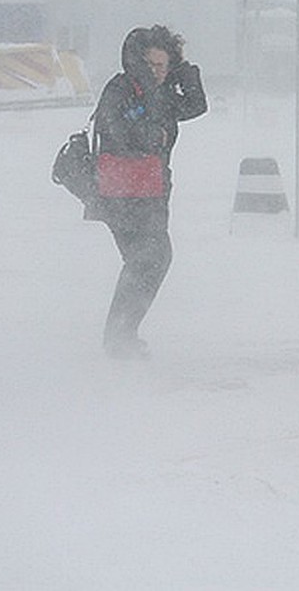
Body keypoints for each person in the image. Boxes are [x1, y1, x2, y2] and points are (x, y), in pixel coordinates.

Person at [90, 25, 207, 358]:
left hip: (151, 191)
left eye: (163, 65)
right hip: (121, 193)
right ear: (137, 62)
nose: (157, 71)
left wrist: (184, 71)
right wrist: (149, 128)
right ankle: (118, 337)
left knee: (149, 260)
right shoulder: (121, 88)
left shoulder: (161, 93)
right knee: (148, 258)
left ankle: (121, 334)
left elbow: (196, 106)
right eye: (151, 65)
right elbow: (118, 130)